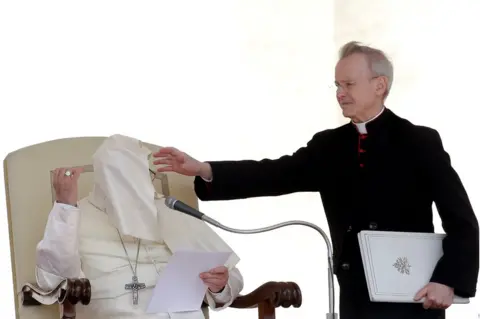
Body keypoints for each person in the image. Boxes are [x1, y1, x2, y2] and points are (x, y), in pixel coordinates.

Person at [152, 41, 479, 319]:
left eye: (348, 84)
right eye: (337, 85)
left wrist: (448, 280)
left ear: (379, 85)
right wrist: (204, 169)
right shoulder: (329, 146)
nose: (339, 93)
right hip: (355, 299)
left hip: (413, 299)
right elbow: (273, 174)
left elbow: (463, 222)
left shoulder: (419, 142)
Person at [35, 134, 244, 319]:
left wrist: (220, 286)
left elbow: (230, 275)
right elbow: (52, 282)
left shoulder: (168, 209)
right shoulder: (74, 214)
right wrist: (65, 207)